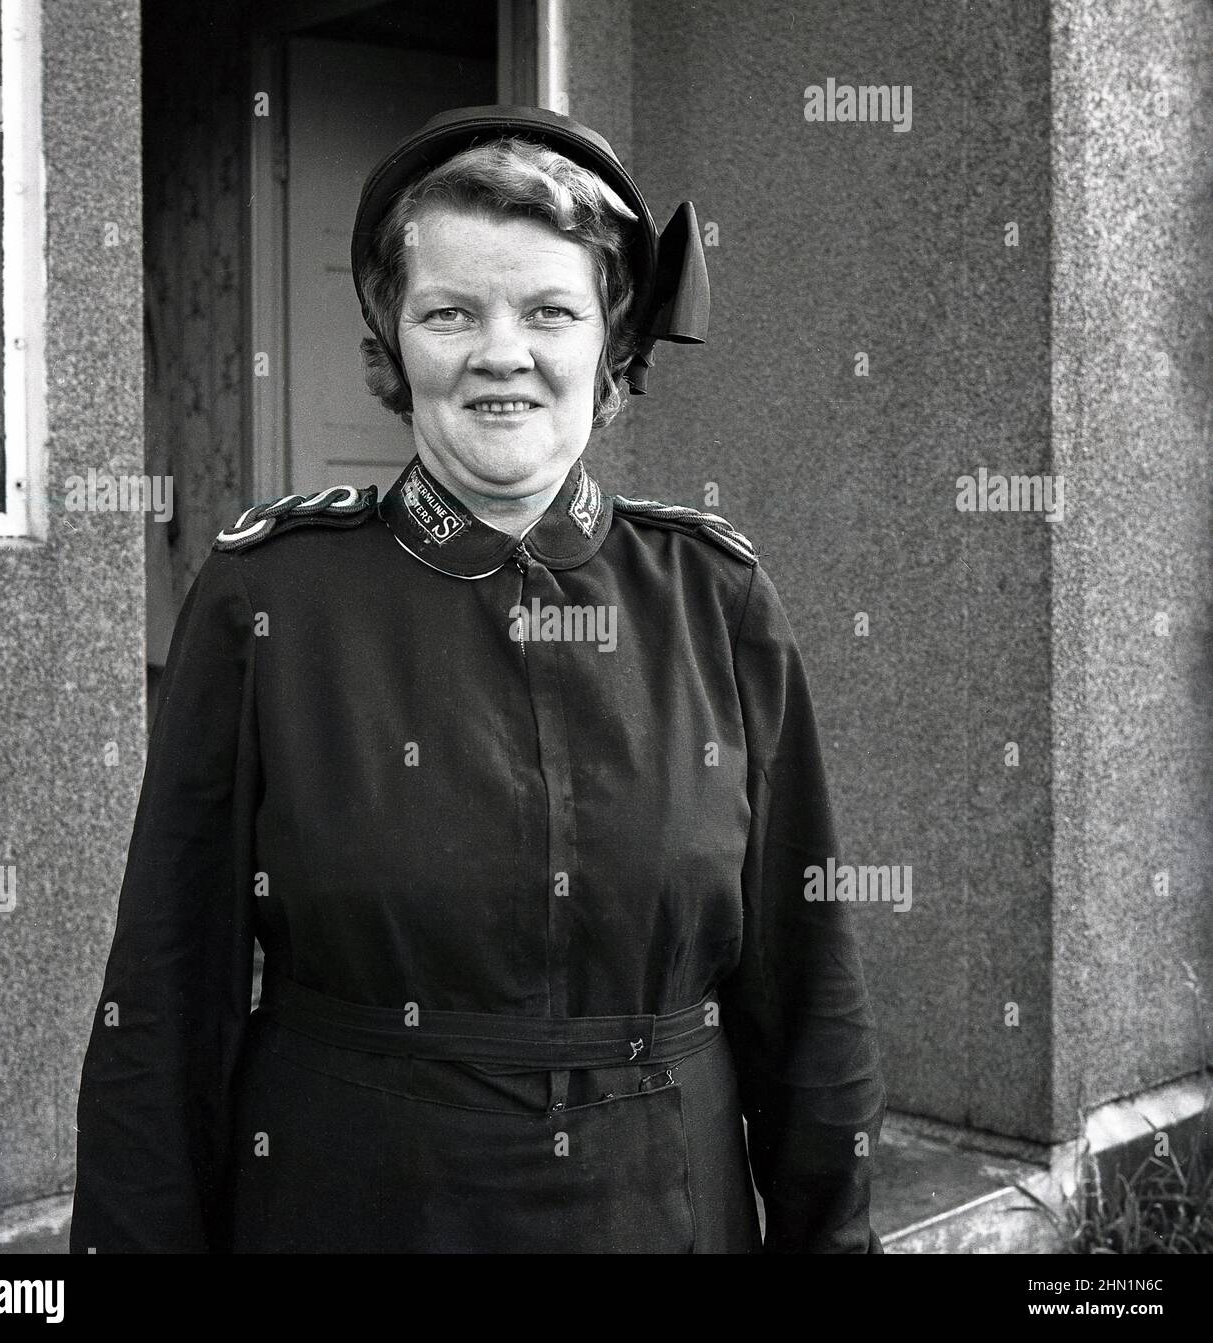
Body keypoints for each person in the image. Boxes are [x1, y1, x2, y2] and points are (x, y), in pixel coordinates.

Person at [69, 104, 887, 1254]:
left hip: (665, 1210)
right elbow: (164, 996)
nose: (501, 350)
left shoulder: (719, 600)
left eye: (550, 310)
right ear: (393, 347)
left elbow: (810, 1007)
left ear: (610, 347)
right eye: (449, 312)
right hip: (344, 1207)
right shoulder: (268, 603)